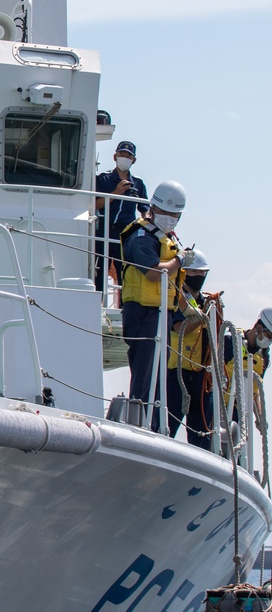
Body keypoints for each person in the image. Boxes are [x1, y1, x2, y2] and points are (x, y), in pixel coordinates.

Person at [120, 180, 188, 429]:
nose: (170, 218)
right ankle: (139, 422)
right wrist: (179, 260)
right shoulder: (140, 236)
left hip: (161, 313)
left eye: (175, 215)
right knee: (144, 372)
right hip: (142, 312)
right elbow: (153, 273)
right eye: (166, 213)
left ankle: (155, 423)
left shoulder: (162, 237)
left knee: (160, 372)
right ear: (154, 208)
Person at [166, 250, 213, 448]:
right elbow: (179, 328)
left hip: (201, 375)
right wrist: (202, 319)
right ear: (185, 273)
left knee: (201, 432)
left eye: (203, 274)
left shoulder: (206, 302)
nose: (200, 278)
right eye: (196, 274)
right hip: (178, 372)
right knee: (168, 424)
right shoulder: (177, 298)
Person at [95, 140, 148, 293]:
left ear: (134, 160)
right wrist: (116, 193)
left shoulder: (138, 183)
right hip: (103, 229)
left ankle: (125, 307)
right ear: (114, 157)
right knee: (99, 270)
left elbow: (145, 210)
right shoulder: (103, 179)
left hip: (125, 233)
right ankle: (97, 302)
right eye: (121, 154)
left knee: (124, 271)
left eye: (128, 156)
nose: (124, 158)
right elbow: (93, 205)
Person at [223, 308, 272, 445]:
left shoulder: (263, 358)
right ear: (259, 327)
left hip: (241, 412)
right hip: (221, 407)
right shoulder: (230, 342)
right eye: (270, 336)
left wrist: (260, 417)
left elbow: (255, 390)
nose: (269, 341)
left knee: (238, 451)